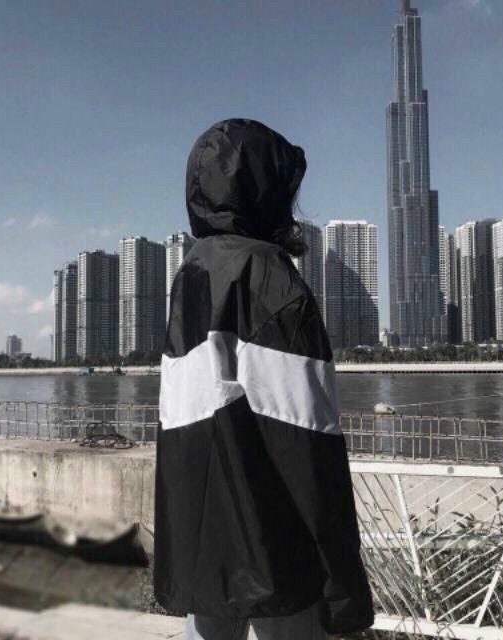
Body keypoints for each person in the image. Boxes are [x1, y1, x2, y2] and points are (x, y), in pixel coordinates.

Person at [155, 119, 374, 639]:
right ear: (265, 192)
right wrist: (342, 579)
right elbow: (305, 437)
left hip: (203, 551)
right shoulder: (268, 274)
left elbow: (181, 428)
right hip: (278, 554)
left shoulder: (192, 273)